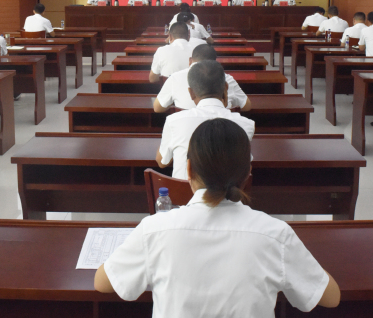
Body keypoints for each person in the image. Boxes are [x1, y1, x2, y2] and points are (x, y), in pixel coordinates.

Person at [96, 118, 340, 316]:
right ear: (248, 174)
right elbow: (331, 297)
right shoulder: (275, 234)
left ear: (188, 169)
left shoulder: (154, 229)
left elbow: (103, 282)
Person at [155, 61, 255, 179]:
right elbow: (246, 167)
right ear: (226, 88)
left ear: (191, 93)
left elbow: (162, 162)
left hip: (182, 195)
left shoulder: (174, 121)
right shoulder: (246, 125)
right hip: (229, 196)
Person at [154, 44, 250, 113]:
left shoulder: (175, 77)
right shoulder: (227, 78)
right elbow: (247, 106)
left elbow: (157, 108)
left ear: (190, 60)